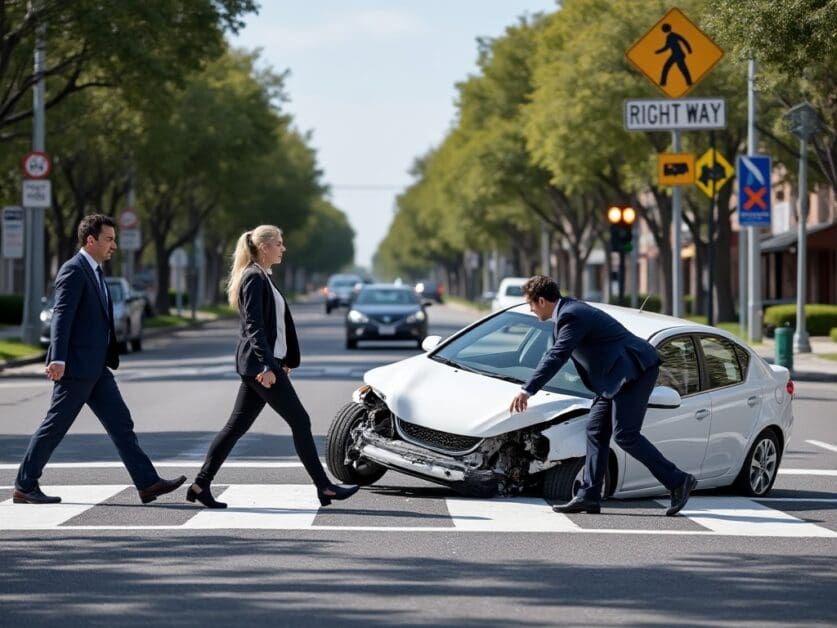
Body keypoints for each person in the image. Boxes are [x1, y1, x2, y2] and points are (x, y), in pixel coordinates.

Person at [14, 215, 186, 505]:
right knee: (55, 426)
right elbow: (62, 316)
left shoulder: (95, 271)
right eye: (109, 239)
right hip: (77, 367)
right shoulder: (74, 270)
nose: (114, 246)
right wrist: (57, 358)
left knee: (121, 423)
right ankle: (24, 485)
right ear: (90, 240)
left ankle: (147, 483)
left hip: (97, 367)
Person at [187, 225, 358, 509]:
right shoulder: (254, 277)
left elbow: (274, 326)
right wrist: (268, 364)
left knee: (235, 427)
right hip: (259, 366)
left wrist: (282, 359)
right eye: (279, 243)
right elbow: (254, 327)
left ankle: (200, 484)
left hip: (263, 364)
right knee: (300, 421)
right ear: (264, 247)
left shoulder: (262, 276)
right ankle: (324, 487)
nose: (283, 248)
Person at [508, 275, 696, 516]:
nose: (531, 310)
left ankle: (679, 481)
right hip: (613, 378)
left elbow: (557, 355)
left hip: (633, 371)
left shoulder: (571, 315)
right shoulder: (568, 312)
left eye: (531, 304)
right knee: (596, 430)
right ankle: (589, 496)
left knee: (625, 435)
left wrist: (527, 389)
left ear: (542, 300)